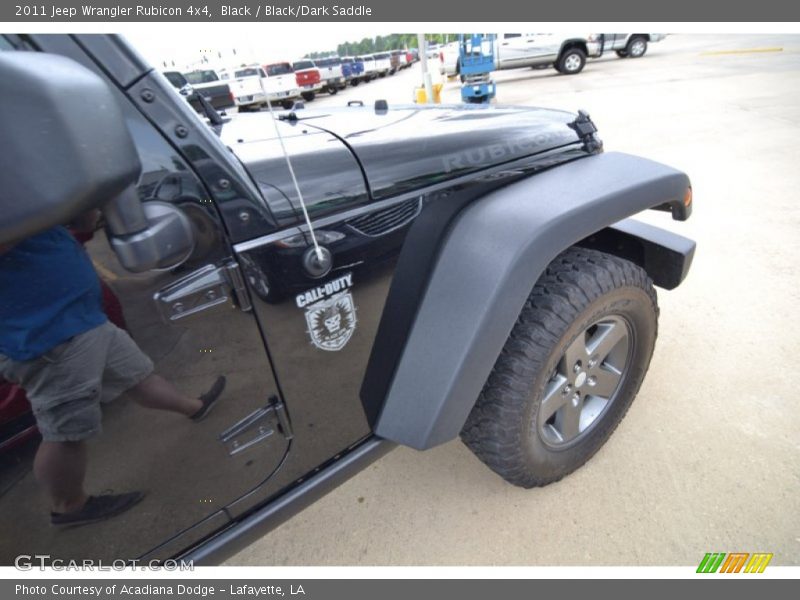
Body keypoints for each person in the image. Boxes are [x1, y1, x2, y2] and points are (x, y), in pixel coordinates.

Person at [0, 211, 225, 527]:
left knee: (138, 376)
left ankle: (195, 407)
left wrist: (78, 213)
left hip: (84, 319)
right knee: (65, 433)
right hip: (50, 337)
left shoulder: (24, 189)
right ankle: (70, 507)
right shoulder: (17, 198)